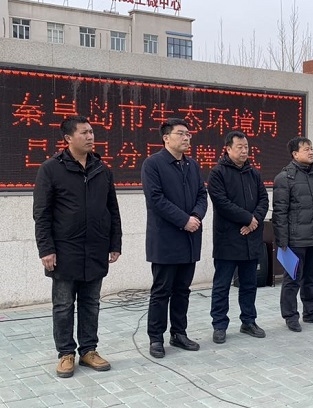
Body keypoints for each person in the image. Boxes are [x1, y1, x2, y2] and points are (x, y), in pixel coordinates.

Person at [33, 115, 122, 378]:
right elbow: (42, 213)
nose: (90, 136)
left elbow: (112, 209)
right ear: (68, 138)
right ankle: (65, 354)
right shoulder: (51, 169)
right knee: (63, 305)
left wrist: (115, 242)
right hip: (64, 250)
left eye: (91, 131)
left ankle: (89, 350)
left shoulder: (102, 169)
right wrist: (46, 249)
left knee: (91, 303)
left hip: (95, 248)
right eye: (84, 132)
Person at [141, 118, 207, 358]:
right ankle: (156, 338)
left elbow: (202, 194)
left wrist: (196, 216)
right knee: (161, 291)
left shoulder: (192, 165)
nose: (187, 138)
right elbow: (156, 199)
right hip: (166, 240)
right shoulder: (153, 164)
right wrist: (184, 220)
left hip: (190, 239)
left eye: (188, 134)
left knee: (182, 290)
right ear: (166, 138)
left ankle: (179, 333)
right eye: (181, 133)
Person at [208, 130, 269, 344]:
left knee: (249, 284)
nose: (244, 151)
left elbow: (264, 200)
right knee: (222, 285)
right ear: (228, 149)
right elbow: (221, 202)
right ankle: (219, 325)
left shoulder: (254, 173)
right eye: (239, 147)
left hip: (251, 238)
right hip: (227, 239)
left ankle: (248, 321)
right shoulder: (218, 173)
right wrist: (247, 218)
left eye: (246, 147)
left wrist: (254, 221)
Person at [272, 137, 313, 333]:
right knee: (292, 279)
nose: (311, 152)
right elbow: (279, 213)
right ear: (295, 154)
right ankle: (290, 315)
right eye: (306, 149)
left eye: (312, 148)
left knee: (312, 277)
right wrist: (282, 241)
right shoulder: (284, 178)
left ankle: (311, 312)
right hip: (294, 240)